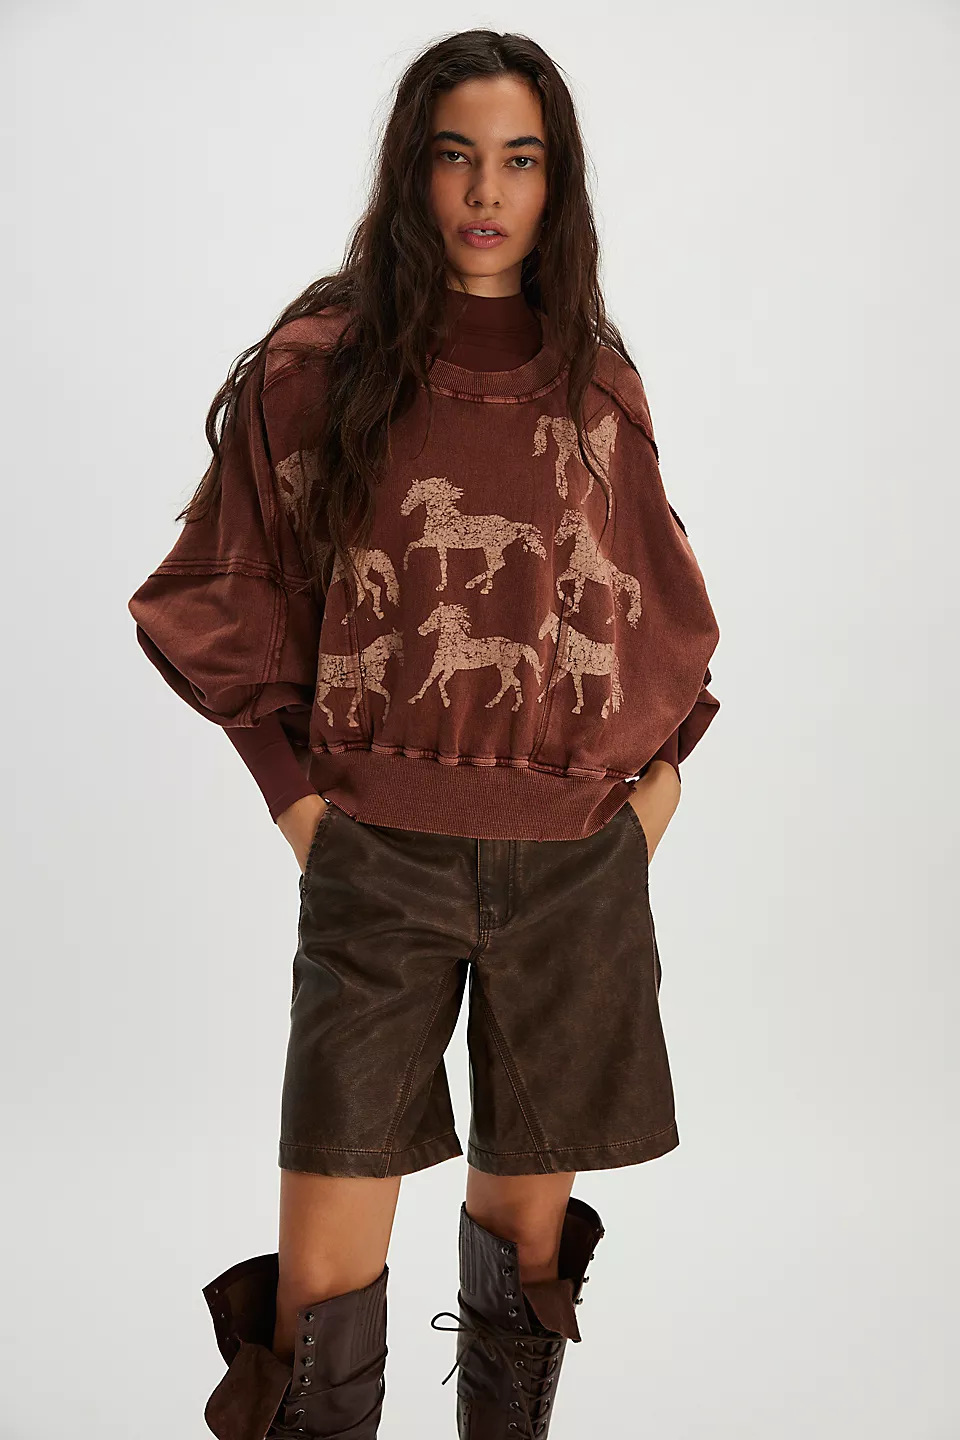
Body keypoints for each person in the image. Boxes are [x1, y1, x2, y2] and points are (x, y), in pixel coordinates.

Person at [127, 28, 721, 1440]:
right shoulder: (318, 367)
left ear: (557, 183)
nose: (487, 190)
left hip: (572, 873)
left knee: (526, 1260)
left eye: (520, 159)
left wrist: (651, 797)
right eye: (457, 156)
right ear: (413, 171)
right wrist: (298, 801)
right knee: (322, 1280)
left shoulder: (594, 380)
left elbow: (653, 598)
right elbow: (229, 587)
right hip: (374, 861)